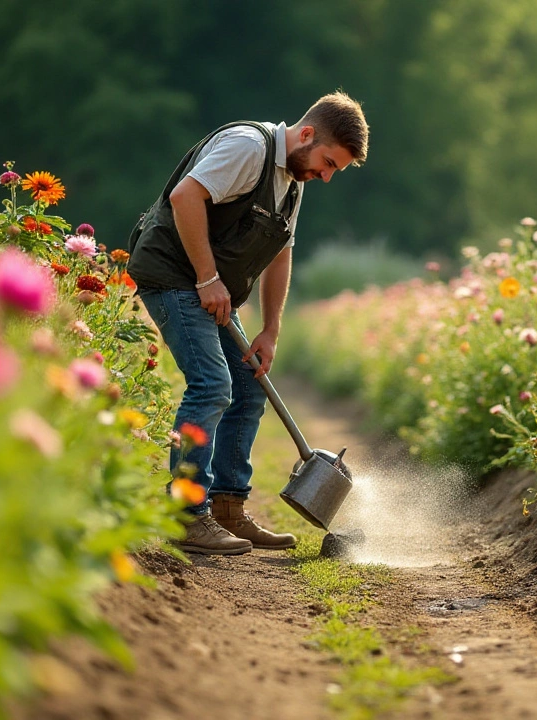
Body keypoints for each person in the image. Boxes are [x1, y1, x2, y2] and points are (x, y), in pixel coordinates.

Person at [126, 92, 369, 555]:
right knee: (212, 384)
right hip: (173, 275)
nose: (326, 175)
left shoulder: (293, 181)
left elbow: (280, 253)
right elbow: (185, 196)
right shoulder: (249, 148)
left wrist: (271, 330)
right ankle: (185, 515)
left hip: (209, 286)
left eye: (333, 170)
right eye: (327, 162)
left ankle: (228, 509)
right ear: (307, 134)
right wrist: (208, 277)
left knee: (250, 379)